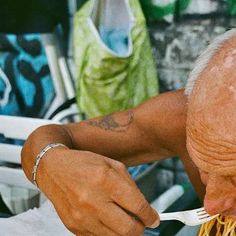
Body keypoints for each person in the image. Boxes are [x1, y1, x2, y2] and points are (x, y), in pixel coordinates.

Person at [21, 29, 236, 236]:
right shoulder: (187, 116)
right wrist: (53, 166)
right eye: (204, 170)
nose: (211, 205)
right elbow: (48, 138)